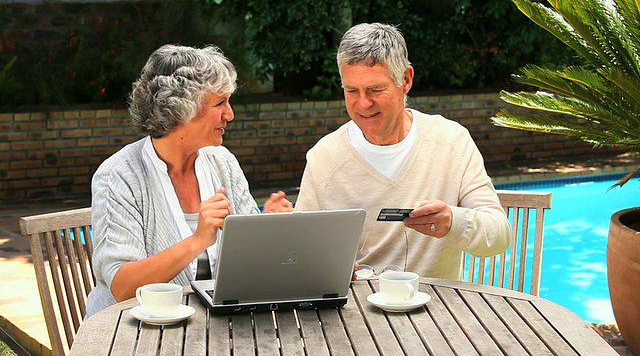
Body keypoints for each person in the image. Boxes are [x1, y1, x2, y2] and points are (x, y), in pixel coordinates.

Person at [86, 44, 294, 317]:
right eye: (220, 103)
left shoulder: (222, 161)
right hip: (131, 333)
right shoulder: (119, 176)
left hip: (211, 328)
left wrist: (266, 227)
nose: (230, 114)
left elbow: (246, 262)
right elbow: (123, 287)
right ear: (180, 108)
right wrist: (198, 240)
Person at [294, 23, 510, 280]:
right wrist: (323, 264)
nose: (363, 103)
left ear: (406, 80)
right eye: (351, 90)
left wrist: (452, 221)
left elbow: (499, 236)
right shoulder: (325, 157)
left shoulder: (451, 141)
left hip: (441, 312)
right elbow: (300, 251)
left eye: (375, 89)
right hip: (355, 312)